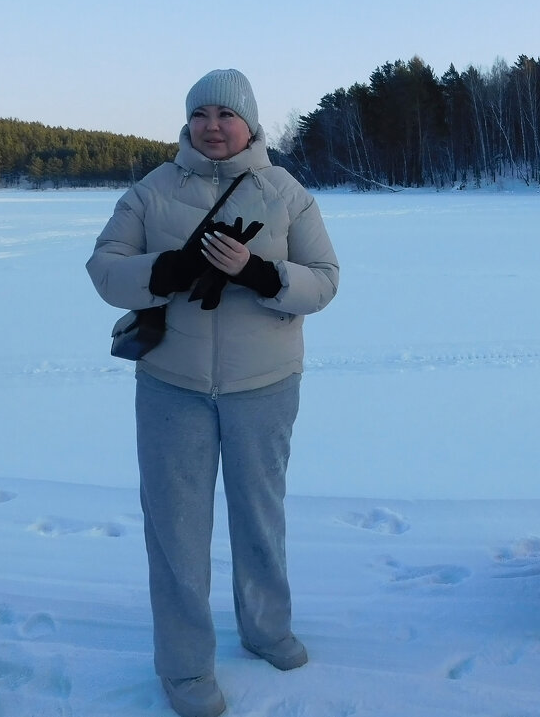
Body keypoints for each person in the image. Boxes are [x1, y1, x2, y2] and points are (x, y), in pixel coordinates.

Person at [87, 69, 339, 717]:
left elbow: (325, 280)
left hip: (265, 385)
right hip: (171, 386)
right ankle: (185, 666)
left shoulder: (285, 193)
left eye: (227, 113)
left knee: (260, 517)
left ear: (250, 122)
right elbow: (105, 267)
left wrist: (259, 273)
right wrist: (164, 270)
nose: (213, 125)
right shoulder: (152, 190)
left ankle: (264, 628)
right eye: (201, 113)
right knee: (175, 529)